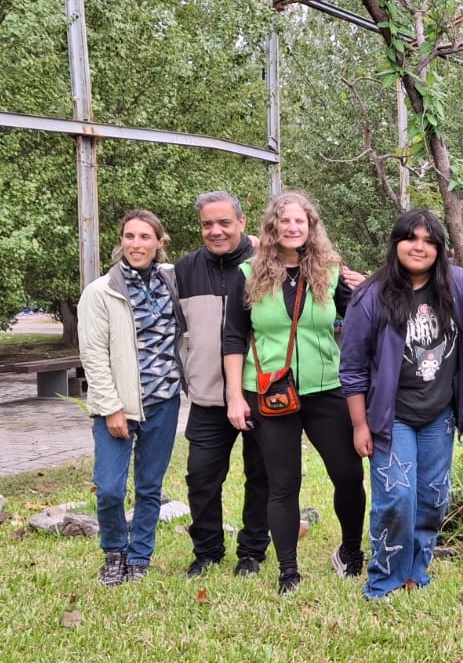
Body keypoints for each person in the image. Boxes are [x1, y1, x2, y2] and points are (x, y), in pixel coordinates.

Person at [224, 191, 366, 594]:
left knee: (348, 475)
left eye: (299, 221)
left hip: (327, 388)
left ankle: (351, 551)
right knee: (283, 483)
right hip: (270, 390)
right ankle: (288, 570)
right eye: (284, 221)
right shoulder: (248, 274)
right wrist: (235, 396)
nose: (292, 227)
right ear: (272, 226)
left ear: (310, 227)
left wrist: (369, 285)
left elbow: (365, 317)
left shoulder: (331, 271)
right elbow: (233, 337)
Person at [340, 209, 463, 601]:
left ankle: (416, 571)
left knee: (432, 499)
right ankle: (385, 579)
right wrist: (360, 425)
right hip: (391, 416)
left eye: (430, 241)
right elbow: (352, 368)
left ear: (440, 248)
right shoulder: (371, 295)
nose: (420, 247)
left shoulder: (459, 285)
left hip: (439, 413)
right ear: (396, 243)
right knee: (396, 499)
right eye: (411, 238)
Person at [78, 211, 185, 586]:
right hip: (118, 405)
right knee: (109, 489)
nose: (136, 244)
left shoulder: (173, 280)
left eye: (144, 237)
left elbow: (217, 264)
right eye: (129, 236)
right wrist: (111, 408)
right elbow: (93, 355)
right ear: (121, 241)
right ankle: (114, 553)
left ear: (159, 242)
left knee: (149, 487)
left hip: (164, 400)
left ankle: (140, 557)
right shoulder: (101, 291)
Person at [174, 191, 272, 579]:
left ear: (242, 222)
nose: (215, 231)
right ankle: (207, 551)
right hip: (207, 394)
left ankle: (252, 552)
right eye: (207, 224)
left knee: (261, 476)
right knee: (201, 477)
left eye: (224, 223)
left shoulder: (267, 263)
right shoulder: (184, 269)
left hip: (261, 392)